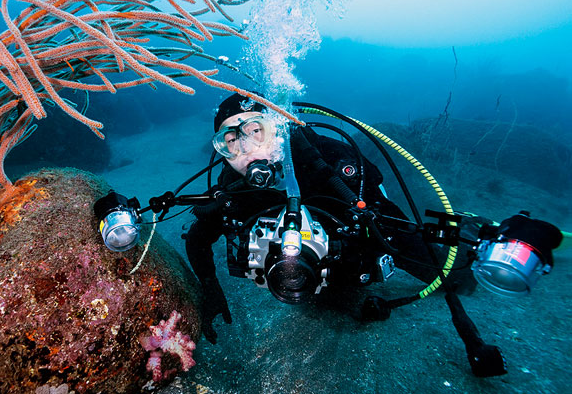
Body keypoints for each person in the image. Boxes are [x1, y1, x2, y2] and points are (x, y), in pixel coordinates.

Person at [183, 93, 477, 343]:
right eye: (230, 140)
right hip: (304, 283)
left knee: (456, 277)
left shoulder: (331, 164)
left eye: (254, 130)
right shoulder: (233, 190)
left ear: (275, 128)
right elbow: (198, 238)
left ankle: (470, 227)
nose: (245, 149)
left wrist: (440, 267)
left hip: (352, 273)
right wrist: (209, 288)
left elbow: (391, 228)